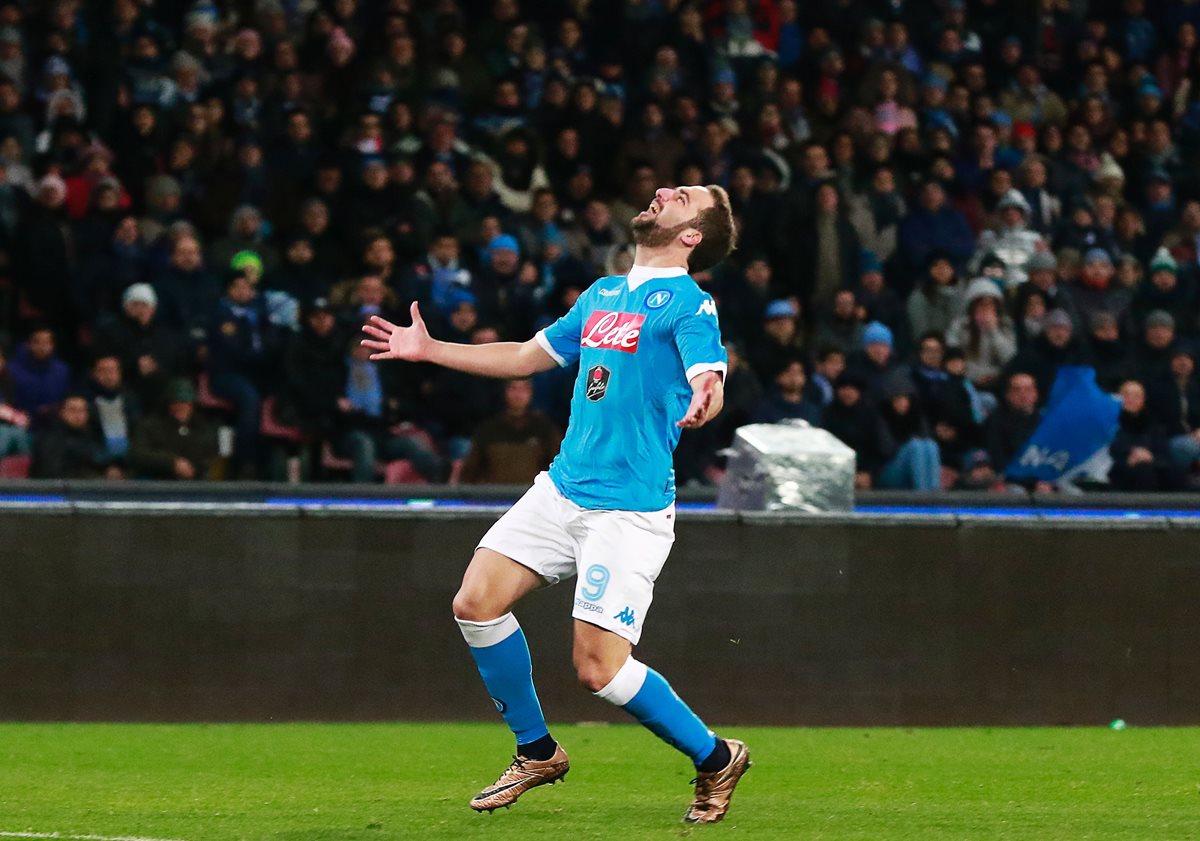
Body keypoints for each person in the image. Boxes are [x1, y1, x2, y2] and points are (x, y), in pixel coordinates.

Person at [361, 184, 749, 822]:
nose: (658, 192)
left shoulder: (688, 302)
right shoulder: (600, 297)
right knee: (474, 603)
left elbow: (707, 371)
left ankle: (715, 757)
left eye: (679, 197)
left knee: (598, 671)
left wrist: (707, 393)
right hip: (563, 488)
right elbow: (523, 357)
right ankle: (537, 751)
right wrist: (430, 349)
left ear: (692, 236)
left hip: (628, 509)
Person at [460, 378, 561, 484]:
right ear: (505, 391)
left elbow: (557, 465)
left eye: (523, 389)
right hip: (494, 497)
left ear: (531, 393)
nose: (518, 394)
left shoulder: (545, 429)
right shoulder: (489, 429)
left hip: (533, 496)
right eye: (513, 388)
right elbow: (472, 471)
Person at [129, 379, 219, 480]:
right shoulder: (150, 427)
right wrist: (172, 463)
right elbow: (138, 455)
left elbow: (209, 458)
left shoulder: (203, 428)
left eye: (186, 403)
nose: (181, 407)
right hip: (158, 485)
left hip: (194, 487)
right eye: (177, 402)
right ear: (168, 404)